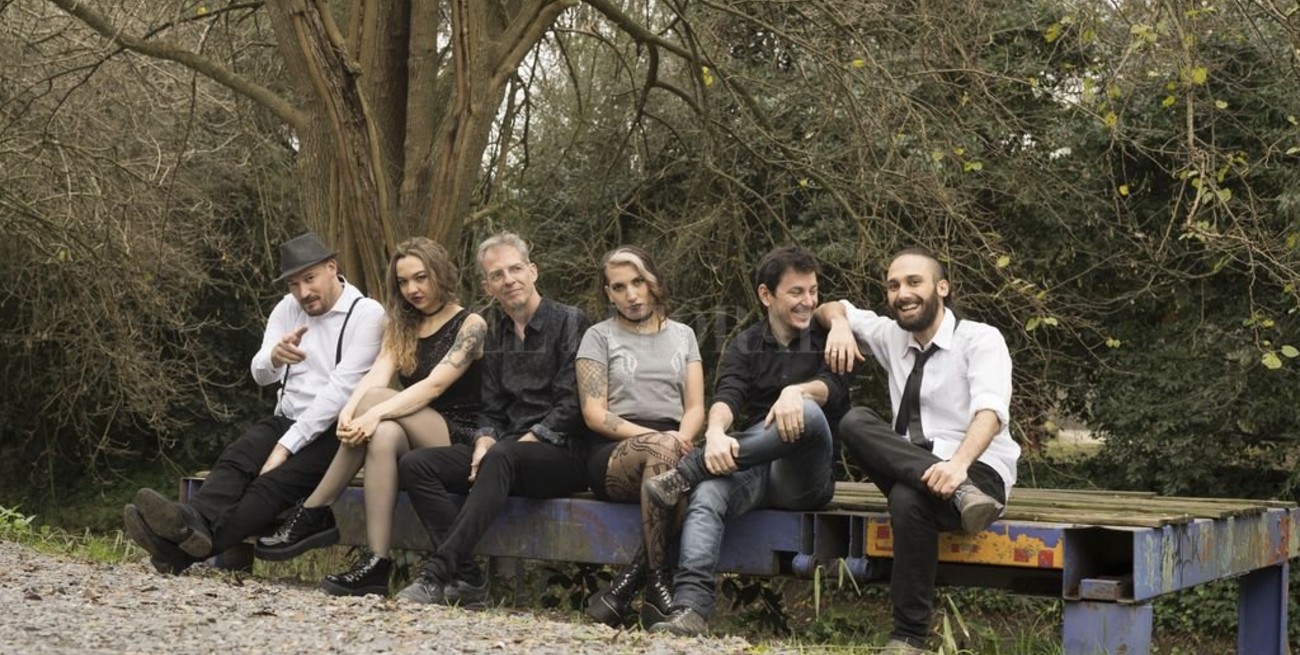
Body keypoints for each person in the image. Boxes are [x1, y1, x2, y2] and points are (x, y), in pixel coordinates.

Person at [123, 232, 384, 574]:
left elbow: (340, 392)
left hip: (335, 431)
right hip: (286, 418)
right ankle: (190, 521)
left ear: (332, 268)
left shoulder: (366, 314)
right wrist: (274, 357)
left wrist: (285, 448)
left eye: (310, 279)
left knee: (269, 486)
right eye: (294, 284)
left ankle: (177, 552)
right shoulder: (287, 309)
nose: (303, 292)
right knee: (238, 457)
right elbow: (260, 374)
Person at [252, 237, 485, 596]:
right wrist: (348, 414)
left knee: (376, 409)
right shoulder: (402, 324)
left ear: (439, 273)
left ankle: (314, 508)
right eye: (403, 282)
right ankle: (377, 563)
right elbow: (378, 373)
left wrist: (371, 413)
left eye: (420, 277)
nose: (412, 289)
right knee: (384, 435)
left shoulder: (471, 324)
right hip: (413, 431)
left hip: (461, 436)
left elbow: (433, 387)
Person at [814, 247, 1018, 654]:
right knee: (855, 421)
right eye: (893, 286)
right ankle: (910, 637)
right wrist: (838, 325)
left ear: (942, 288)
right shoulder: (891, 336)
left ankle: (907, 637)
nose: (902, 293)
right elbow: (831, 307)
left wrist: (958, 466)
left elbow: (991, 411)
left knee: (907, 499)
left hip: (978, 475)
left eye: (913, 282)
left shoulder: (980, 339)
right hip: (921, 473)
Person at [646, 245, 850, 636]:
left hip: (805, 477)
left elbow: (833, 389)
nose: (808, 301)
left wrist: (795, 392)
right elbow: (728, 397)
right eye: (796, 292)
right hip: (753, 465)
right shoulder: (745, 343)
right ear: (765, 295)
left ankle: (690, 469)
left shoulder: (831, 338)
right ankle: (691, 609)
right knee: (708, 494)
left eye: (813, 291)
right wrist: (715, 433)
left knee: (807, 413)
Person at [394, 231, 590, 607]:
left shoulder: (569, 321)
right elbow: (492, 407)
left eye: (515, 269)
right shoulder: (494, 330)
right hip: (505, 455)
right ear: (487, 286)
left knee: (503, 455)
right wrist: (484, 440)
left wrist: (514, 448)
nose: (508, 280)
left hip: (562, 454)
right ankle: (468, 577)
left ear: (533, 271)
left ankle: (437, 574)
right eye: (497, 275)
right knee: (417, 465)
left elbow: (571, 405)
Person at [575, 246, 705, 628]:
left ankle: (626, 590)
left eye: (638, 282)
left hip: (675, 446)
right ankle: (658, 583)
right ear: (608, 293)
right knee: (669, 461)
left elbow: (696, 407)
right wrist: (662, 439)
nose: (631, 295)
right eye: (619, 287)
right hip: (614, 451)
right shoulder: (598, 336)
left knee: (681, 483)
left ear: (653, 283)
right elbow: (594, 414)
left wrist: (681, 438)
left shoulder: (684, 335)